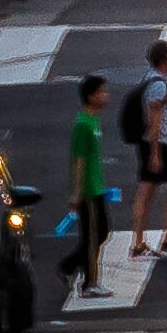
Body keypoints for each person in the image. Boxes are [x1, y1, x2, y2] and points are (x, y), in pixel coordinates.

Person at [124, 39, 167, 256]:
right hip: (157, 144)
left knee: (147, 191)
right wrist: (154, 154)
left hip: (149, 143)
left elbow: (165, 117)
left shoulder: (150, 80)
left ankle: (139, 242)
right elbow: (155, 121)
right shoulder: (159, 85)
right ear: (163, 60)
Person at [64, 72, 114, 296]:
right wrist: (76, 192)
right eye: (102, 92)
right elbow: (79, 159)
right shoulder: (83, 124)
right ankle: (89, 283)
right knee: (94, 236)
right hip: (88, 190)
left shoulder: (93, 120)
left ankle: (68, 266)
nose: (106, 95)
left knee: (100, 232)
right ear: (91, 96)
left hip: (97, 186)